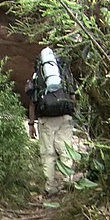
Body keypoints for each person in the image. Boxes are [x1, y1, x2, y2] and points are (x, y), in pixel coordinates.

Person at [25, 48, 76, 195]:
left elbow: (32, 102)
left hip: (46, 119)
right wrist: (72, 114)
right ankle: (68, 181)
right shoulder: (63, 74)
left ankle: (50, 187)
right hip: (65, 117)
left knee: (48, 154)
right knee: (66, 149)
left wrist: (31, 124)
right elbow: (72, 95)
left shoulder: (38, 77)